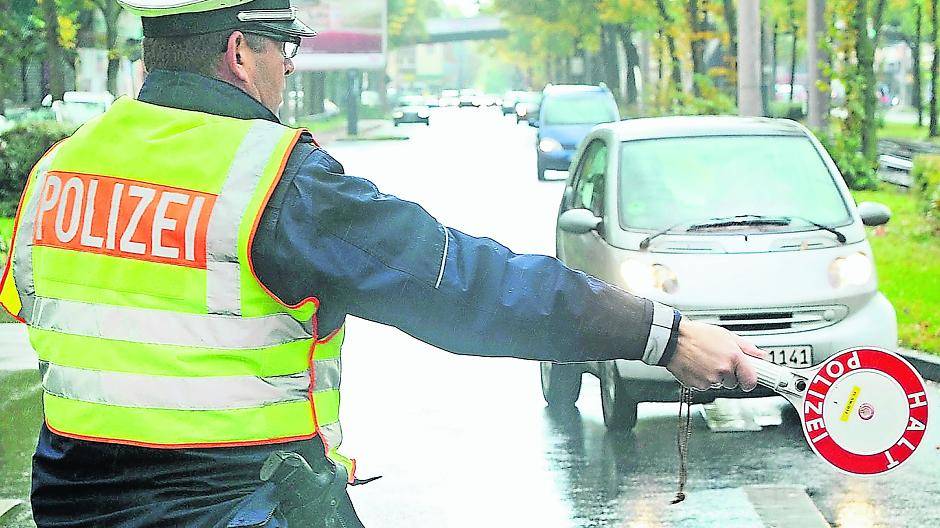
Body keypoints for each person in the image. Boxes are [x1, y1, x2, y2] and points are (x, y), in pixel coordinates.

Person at [0, 0, 761, 526]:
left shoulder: (58, 172)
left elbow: (56, 313)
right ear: (240, 52)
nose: (289, 71)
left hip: (73, 505)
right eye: (285, 49)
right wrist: (661, 334)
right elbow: (462, 285)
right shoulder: (271, 178)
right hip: (243, 505)